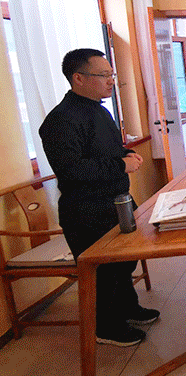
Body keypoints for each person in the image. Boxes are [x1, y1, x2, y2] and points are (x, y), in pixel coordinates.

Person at [39, 48, 159, 347]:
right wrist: (120, 165)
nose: (111, 81)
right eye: (103, 75)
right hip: (86, 210)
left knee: (124, 262)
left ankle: (128, 309)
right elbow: (72, 170)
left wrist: (126, 154)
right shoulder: (60, 120)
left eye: (111, 74)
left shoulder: (99, 110)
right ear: (78, 78)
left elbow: (106, 150)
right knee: (103, 272)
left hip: (116, 201)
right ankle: (106, 328)